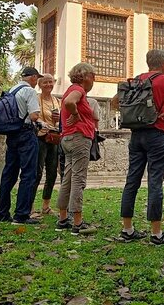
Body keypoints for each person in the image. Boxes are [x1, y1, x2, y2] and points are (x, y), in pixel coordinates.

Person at [115, 50, 164, 245]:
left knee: (131, 180)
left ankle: (127, 229)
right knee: (155, 182)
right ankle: (156, 233)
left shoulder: (136, 80)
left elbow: (115, 101)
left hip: (136, 134)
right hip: (157, 134)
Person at [55, 63, 98, 235]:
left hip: (67, 138)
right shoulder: (78, 90)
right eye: (93, 75)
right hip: (79, 137)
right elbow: (69, 102)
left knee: (68, 177)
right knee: (78, 179)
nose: (94, 79)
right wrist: (76, 115)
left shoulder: (74, 90)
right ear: (86, 76)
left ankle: (63, 218)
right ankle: (77, 223)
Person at [0, 67, 42, 225]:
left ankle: (2, 214)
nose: (37, 82)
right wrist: (40, 121)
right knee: (28, 174)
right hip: (26, 134)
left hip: (12, 134)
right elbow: (34, 115)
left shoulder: (12, 89)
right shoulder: (29, 91)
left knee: (9, 173)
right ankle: (21, 215)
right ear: (33, 77)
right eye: (37, 79)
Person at [32, 74, 61, 217]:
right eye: (45, 82)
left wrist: (59, 118)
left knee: (52, 173)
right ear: (40, 84)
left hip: (54, 138)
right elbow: (33, 115)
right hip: (40, 137)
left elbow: (62, 120)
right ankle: (30, 206)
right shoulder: (36, 99)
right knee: (36, 172)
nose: (48, 84)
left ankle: (46, 205)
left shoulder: (57, 101)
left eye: (51, 82)